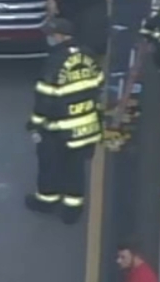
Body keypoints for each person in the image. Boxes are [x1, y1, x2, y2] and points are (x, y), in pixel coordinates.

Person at [26, 18, 104, 224]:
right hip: (86, 125)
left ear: (59, 36)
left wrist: (35, 123)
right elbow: (98, 83)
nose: (48, 39)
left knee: (50, 165)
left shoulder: (54, 61)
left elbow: (45, 97)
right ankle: (72, 209)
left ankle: (47, 201)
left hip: (58, 128)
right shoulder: (88, 54)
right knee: (75, 168)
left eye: (51, 35)